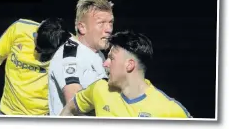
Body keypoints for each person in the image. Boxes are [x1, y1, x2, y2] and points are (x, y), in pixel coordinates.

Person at [60, 31, 192, 118]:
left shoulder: (168, 110)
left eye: (111, 58)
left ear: (129, 65)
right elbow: (69, 109)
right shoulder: (99, 89)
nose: (105, 63)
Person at [48, 0, 114, 115]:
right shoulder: (69, 57)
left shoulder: (95, 51)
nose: (108, 29)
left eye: (110, 23)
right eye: (101, 23)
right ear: (82, 27)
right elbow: (74, 102)